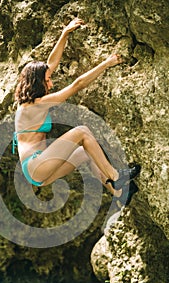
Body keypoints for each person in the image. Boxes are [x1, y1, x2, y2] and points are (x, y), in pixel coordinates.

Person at [13, 18, 141, 206]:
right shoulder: (34, 105)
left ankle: (118, 192)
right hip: (36, 165)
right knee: (81, 132)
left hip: (38, 171)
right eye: (47, 80)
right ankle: (115, 176)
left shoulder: (29, 103)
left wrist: (65, 33)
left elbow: (51, 63)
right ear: (35, 82)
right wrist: (107, 63)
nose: (51, 83)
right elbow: (77, 85)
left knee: (86, 151)